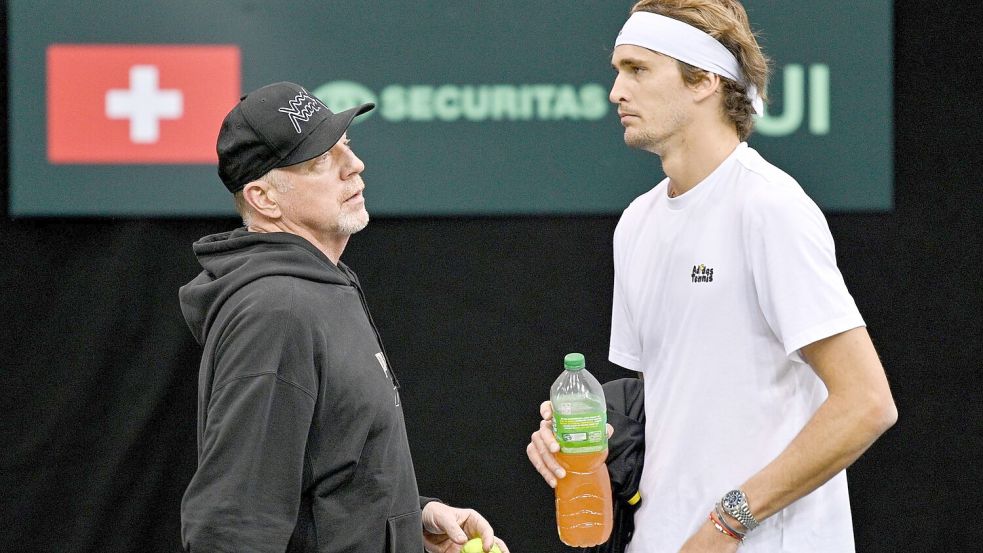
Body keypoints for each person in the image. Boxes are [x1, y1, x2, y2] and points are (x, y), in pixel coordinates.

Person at [527, 2, 897, 552]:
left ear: (703, 80)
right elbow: (669, 403)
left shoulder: (769, 207)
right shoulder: (635, 224)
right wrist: (586, 436)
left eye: (637, 69)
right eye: (617, 71)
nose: (615, 92)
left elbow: (866, 403)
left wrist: (729, 522)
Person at [179, 81, 509, 553]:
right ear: (264, 199)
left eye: (346, 147)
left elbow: (329, 471)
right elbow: (232, 526)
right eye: (320, 161)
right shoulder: (277, 312)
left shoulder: (319, 287)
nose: (354, 166)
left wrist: (409, 520)